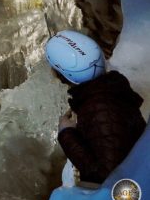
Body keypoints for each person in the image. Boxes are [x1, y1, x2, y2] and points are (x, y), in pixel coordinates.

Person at [45, 30, 146, 185]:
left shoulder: (99, 108)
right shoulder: (108, 91)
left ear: (64, 75)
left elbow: (108, 176)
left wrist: (67, 134)